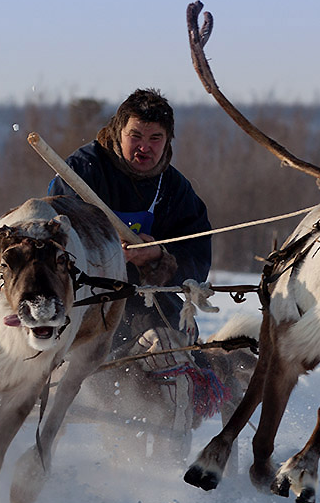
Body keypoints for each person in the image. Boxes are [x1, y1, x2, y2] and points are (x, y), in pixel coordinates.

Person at [47, 88, 211, 350]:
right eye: (135, 136)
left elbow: (198, 256)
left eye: (155, 138)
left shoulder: (176, 189)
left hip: (145, 301)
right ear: (118, 131)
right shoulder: (81, 171)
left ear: (168, 140)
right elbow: (53, 239)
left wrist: (158, 257)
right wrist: (105, 253)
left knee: (176, 351)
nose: (144, 147)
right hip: (82, 300)